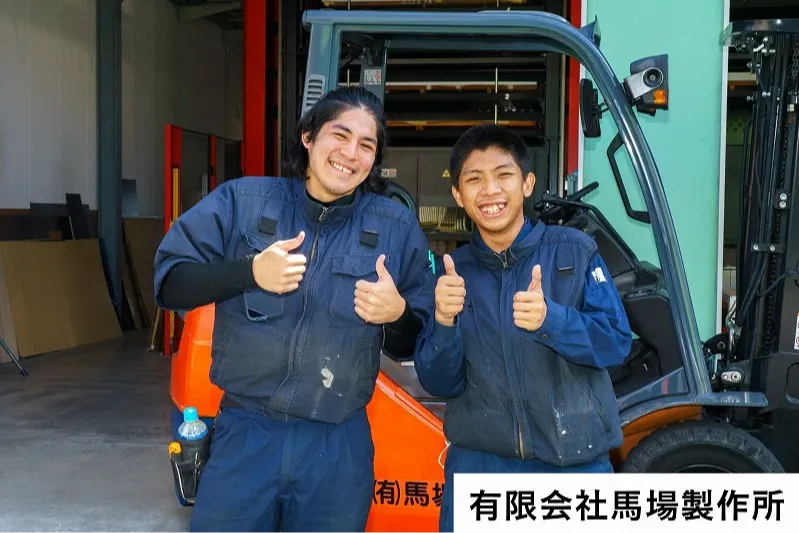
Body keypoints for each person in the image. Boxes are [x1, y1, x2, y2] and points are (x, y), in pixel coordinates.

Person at [153, 86, 436, 533]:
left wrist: (397, 313)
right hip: (246, 436)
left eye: (366, 145)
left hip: (336, 447)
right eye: (340, 135)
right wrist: (249, 272)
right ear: (308, 137)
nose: (350, 154)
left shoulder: (394, 227)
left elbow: (417, 341)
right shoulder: (244, 202)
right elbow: (170, 283)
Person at [413, 124, 633, 532]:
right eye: (474, 179)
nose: (490, 190)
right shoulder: (452, 275)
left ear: (527, 183)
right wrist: (443, 322)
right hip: (481, 471)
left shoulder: (574, 252)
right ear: (458, 195)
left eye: (503, 175)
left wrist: (553, 320)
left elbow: (616, 343)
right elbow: (439, 381)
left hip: (573, 469)